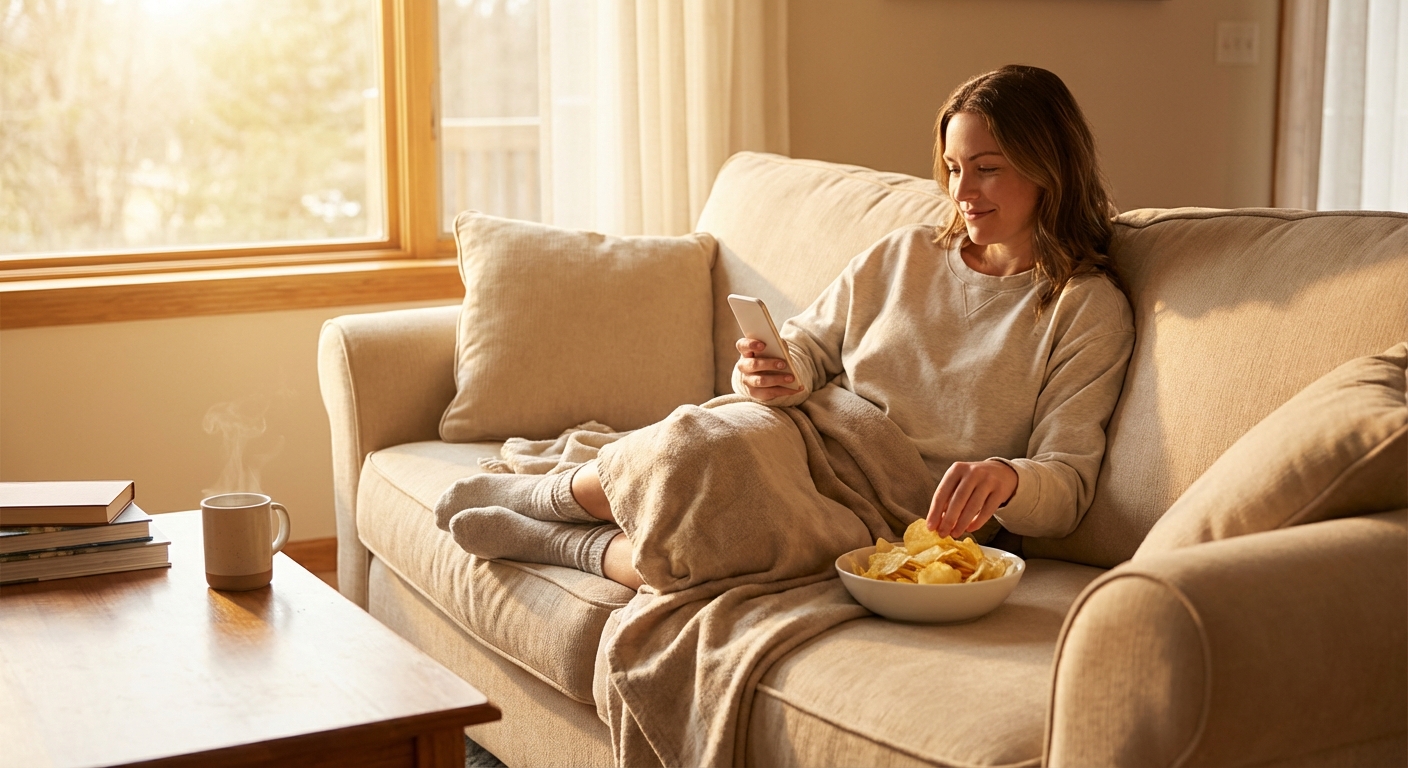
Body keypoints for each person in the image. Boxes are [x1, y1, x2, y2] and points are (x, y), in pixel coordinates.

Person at [436, 64, 1135, 593]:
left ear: (1051, 167)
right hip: (816, 432)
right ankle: (542, 499)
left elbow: (1068, 484)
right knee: (700, 444)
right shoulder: (906, 254)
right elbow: (807, 344)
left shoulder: (1085, 309)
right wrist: (778, 368)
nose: (962, 193)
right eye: (953, 169)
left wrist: (1006, 481)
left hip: (894, 517)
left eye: (987, 169)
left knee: (717, 553)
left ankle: (555, 542)